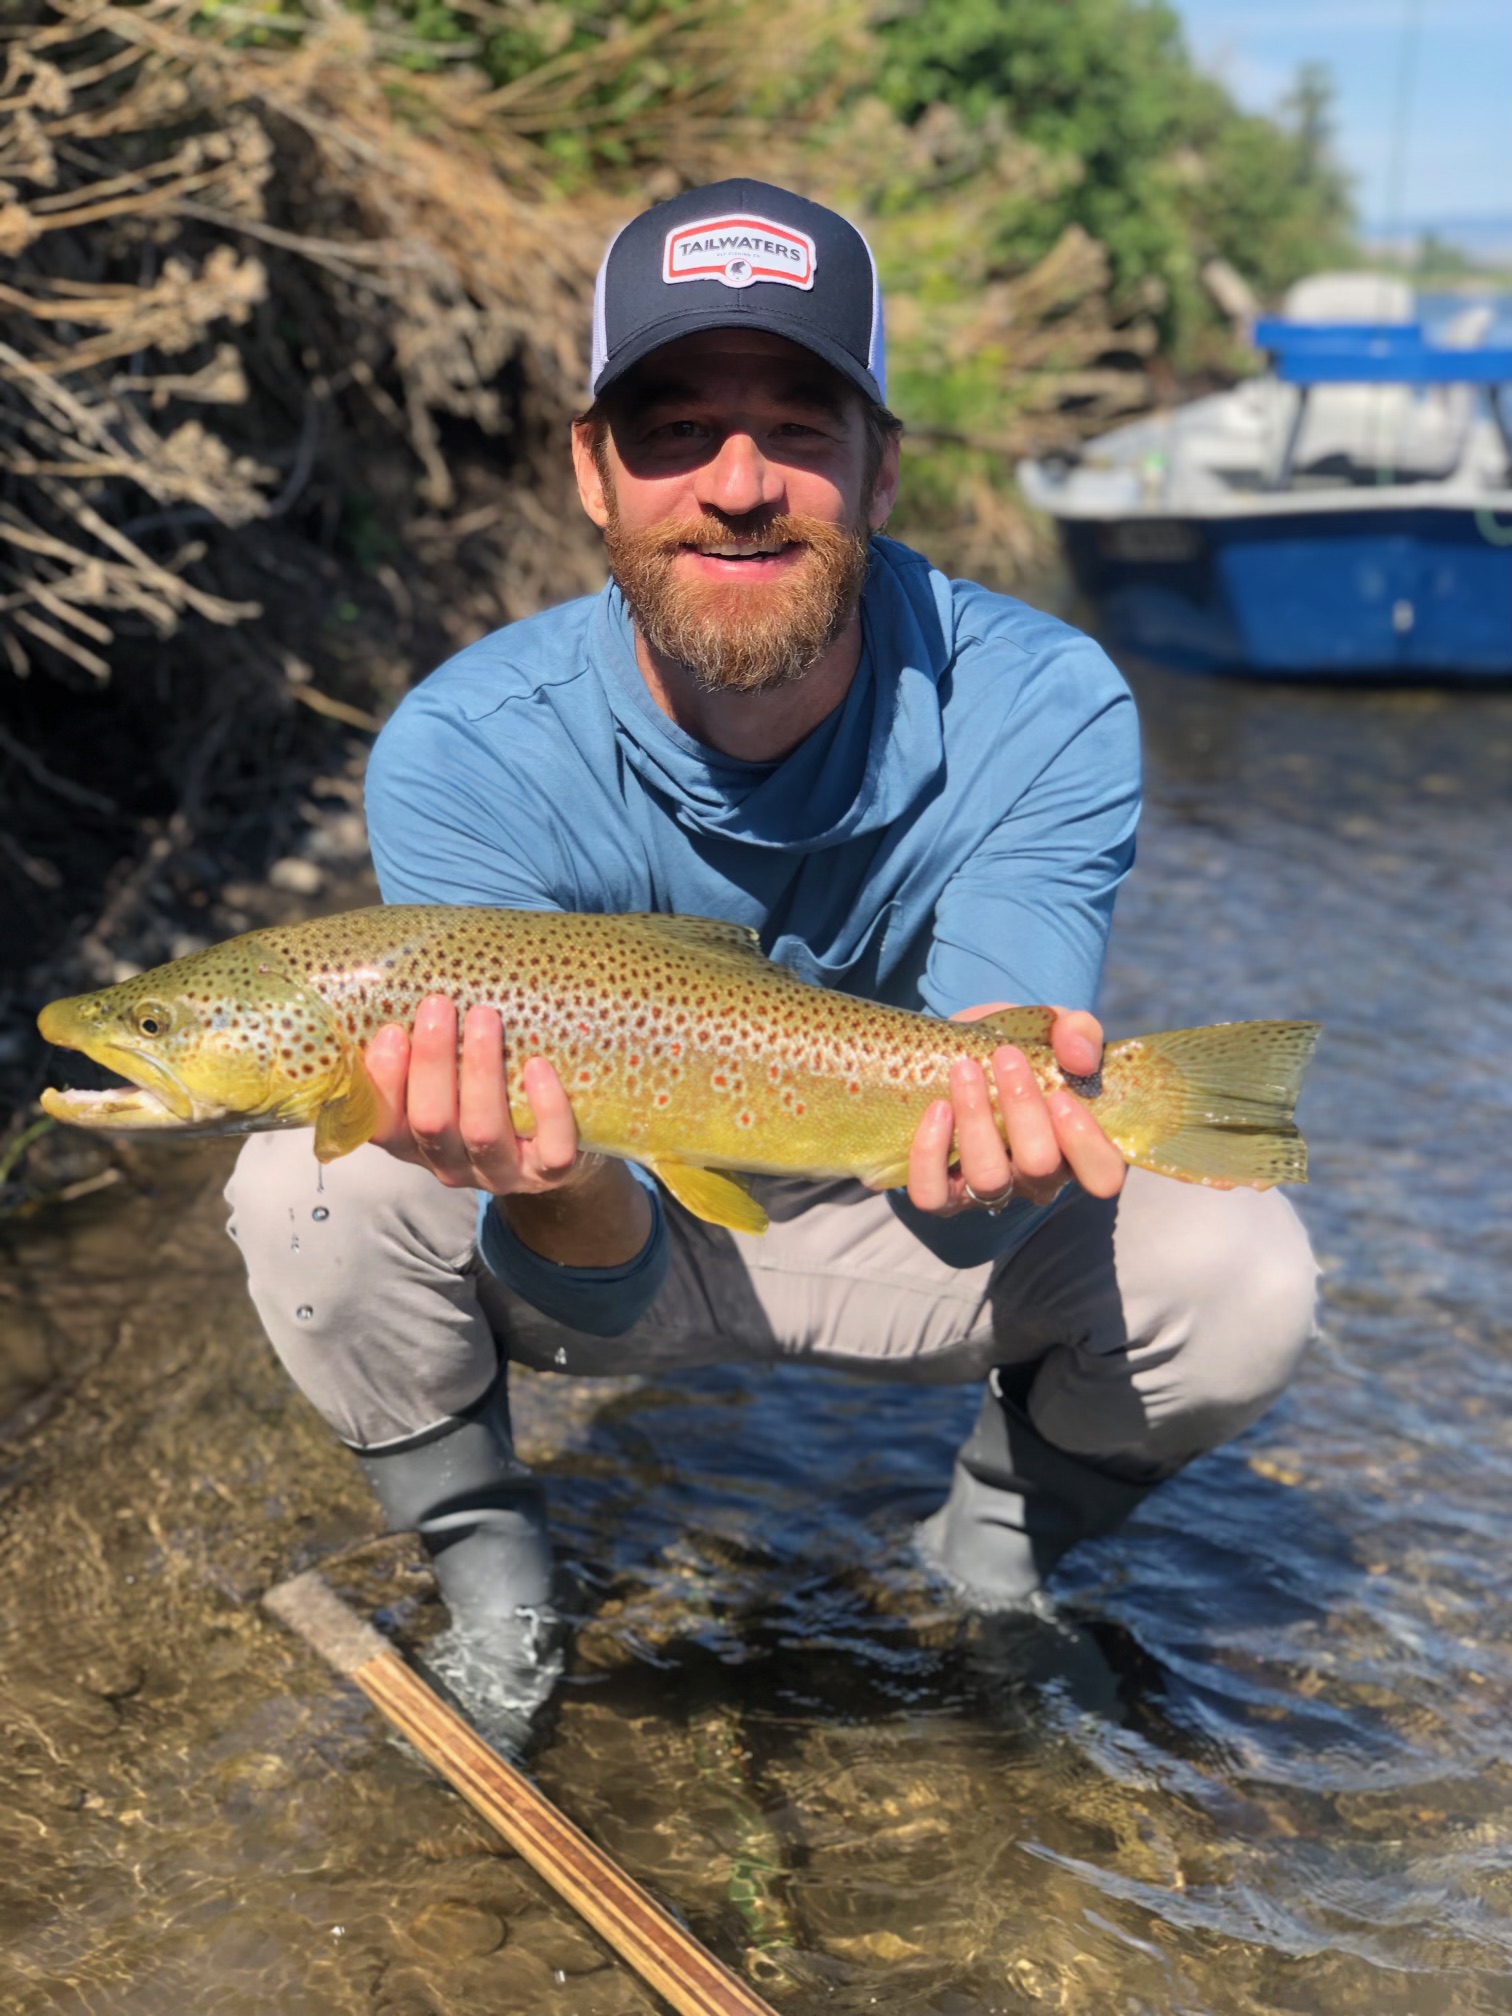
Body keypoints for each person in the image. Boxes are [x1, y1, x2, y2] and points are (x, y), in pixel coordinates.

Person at [225, 181, 1318, 1726]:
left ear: (881, 473)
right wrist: (556, 1178)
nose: (739, 484)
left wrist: (996, 1148)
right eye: (672, 429)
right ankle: (493, 1580)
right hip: (612, 1216)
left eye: (800, 426)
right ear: (592, 477)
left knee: (1245, 1265)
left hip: (913, 1206)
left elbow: (963, 1222)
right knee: (303, 1182)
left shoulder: (1045, 703)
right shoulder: (462, 751)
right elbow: (598, 1298)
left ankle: (991, 1556)